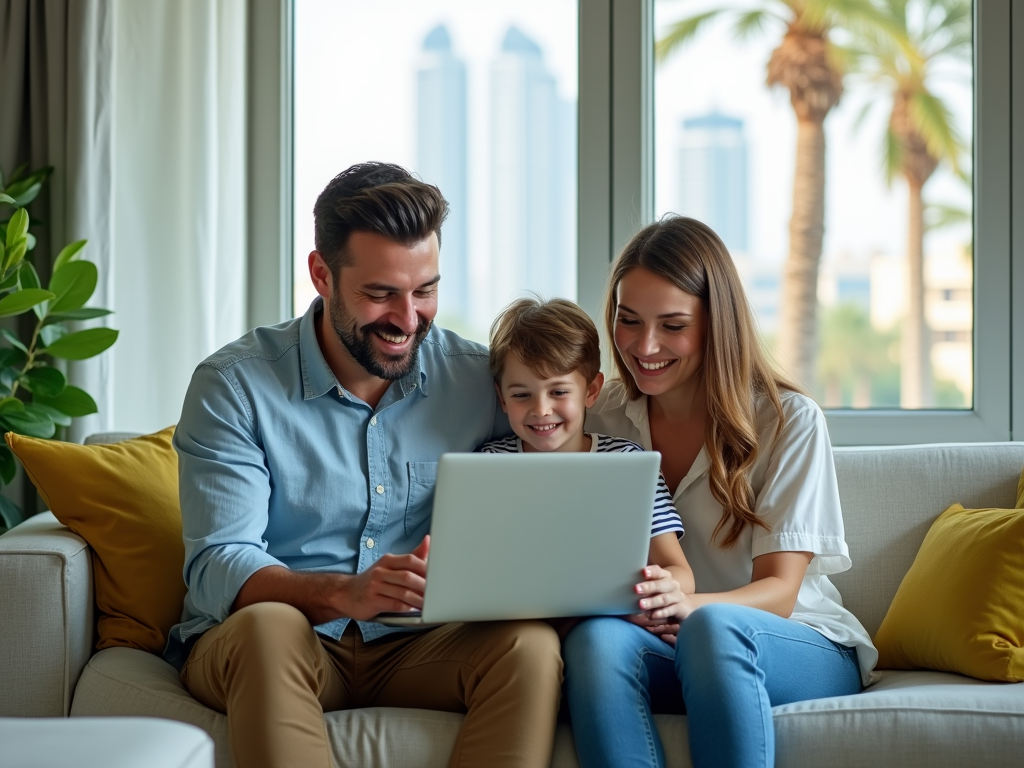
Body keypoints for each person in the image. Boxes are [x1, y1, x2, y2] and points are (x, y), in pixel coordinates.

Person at [166, 162, 563, 768]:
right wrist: (345, 593)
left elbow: (560, 461)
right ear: (321, 274)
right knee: (269, 628)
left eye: (425, 290)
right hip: (281, 639)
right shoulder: (235, 385)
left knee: (530, 647)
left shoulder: (479, 381)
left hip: (422, 643)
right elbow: (218, 562)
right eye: (380, 294)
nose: (408, 320)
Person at [564, 216, 878, 768]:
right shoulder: (601, 415)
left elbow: (780, 592)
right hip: (672, 642)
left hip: (794, 643)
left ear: (717, 325)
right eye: (628, 320)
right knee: (594, 641)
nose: (645, 345)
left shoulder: (789, 422)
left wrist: (688, 604)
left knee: (712, 627)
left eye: (673, 325)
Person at [478, 298, 694, 634]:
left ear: (591, 391)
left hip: (608, 625)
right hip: (518, 628)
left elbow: (679, 572)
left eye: (559, 391)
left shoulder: (629, 464)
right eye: (522, 395)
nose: (542, 409)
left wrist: (655, 593)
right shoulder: (487, 466)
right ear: (501, 397)